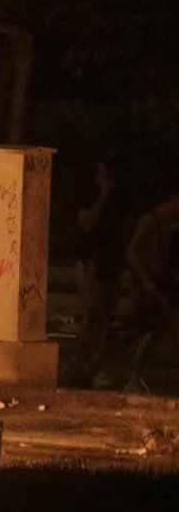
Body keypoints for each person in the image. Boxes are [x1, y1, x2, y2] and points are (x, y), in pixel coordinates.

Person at [60, 152, 132, 388]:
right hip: (93, 265)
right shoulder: (91, 195)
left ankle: (91, 367)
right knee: (94, 318)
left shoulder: (118, 200)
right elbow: (87, 221)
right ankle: (77, 365)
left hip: (109, 264)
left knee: (103, 319)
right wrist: (104, 192)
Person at [121, 186, 179, 393]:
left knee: (160, 331)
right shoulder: (150, 221)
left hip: (160, 282)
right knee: (157, 329)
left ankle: (134, 377)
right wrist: (146, 281)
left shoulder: (166, 224)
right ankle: (131, 376)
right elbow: (132, 252)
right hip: (151, 284)